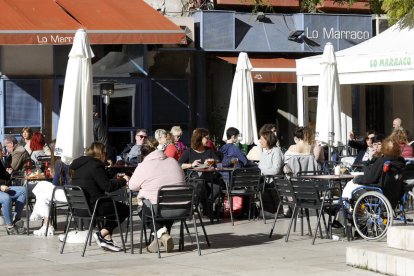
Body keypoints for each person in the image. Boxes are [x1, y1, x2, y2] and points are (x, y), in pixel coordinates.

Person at [70, 142, 130, 252]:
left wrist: (111, 170)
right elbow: (108, 187)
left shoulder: (79, 166)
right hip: (94, 206)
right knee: (124, 209)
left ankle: (107, 239)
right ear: (100, 153)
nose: (106, 156)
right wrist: (123, 180)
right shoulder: (95, 165)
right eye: (105, 153)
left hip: (78, 209)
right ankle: (102, 234)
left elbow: (99, 178)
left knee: (111, 206)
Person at [129, 138, 185, 253]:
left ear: (144, 155)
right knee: (165, 202)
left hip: (159, 209)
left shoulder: (144, 165)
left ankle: (162, 234)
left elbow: (132, 186)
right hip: (181, 208)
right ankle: (161, 237)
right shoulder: (173, 161)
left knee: (142, 208)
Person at [178, 128, 220, 213]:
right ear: (199, 138)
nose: (208, 140)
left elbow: (218, 161)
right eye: (206, 138)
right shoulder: (189, 151)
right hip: (194, 179)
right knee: (202, 185)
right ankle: (205, 207)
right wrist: (191, 165)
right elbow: (179, 165)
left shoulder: (209, 150)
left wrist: (211, 161)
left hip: (208, 178)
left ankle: (205, 205)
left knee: (217, 187)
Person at [0, 160, 26, 235]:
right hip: (1, 189)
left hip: (4, 188)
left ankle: (16, 220)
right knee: (6, 198)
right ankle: (10, 226)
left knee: (23, 190)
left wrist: (8, 173)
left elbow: (4, 177)